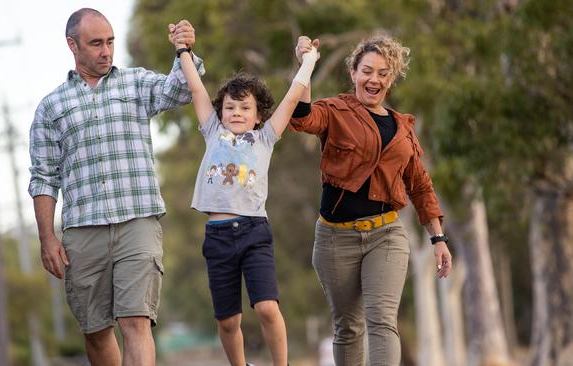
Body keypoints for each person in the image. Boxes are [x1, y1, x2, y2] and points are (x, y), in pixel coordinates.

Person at [27, 8, 204, 366]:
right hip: (82, 231)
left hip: (137, 221)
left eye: (110, 42)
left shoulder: (135, 84)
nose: (106, 51)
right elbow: (44, 176)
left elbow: (182, 89)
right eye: (96, 44)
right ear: (72, 45)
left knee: (136, 320)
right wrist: (47, 237)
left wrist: (183, 50)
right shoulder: (51, 108)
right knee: (96, 330)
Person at [291, 35, 453, 365]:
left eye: (382, 73)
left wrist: (438, 238)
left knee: (381, 319)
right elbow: (302, 117)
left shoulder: (402, 128)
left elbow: (420, 186)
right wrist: (306, 64)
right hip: (336, 238)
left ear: (391, 79)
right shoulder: (334, 111)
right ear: (353, 73)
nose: (373, 79)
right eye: (367, 71)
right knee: (348, 327)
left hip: (386, 235)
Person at [169, 21, 319, 366]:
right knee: (228, 321)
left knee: (267, 306)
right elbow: (195, 89)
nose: (236, 114)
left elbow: (294, 95)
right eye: (230, 108)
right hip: (218, 237)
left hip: (254, 232)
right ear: (220, 113)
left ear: (257, 116)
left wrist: (308, 62)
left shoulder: (265, 137)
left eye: (245, 108)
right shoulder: (212, 131)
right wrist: (183, 51)